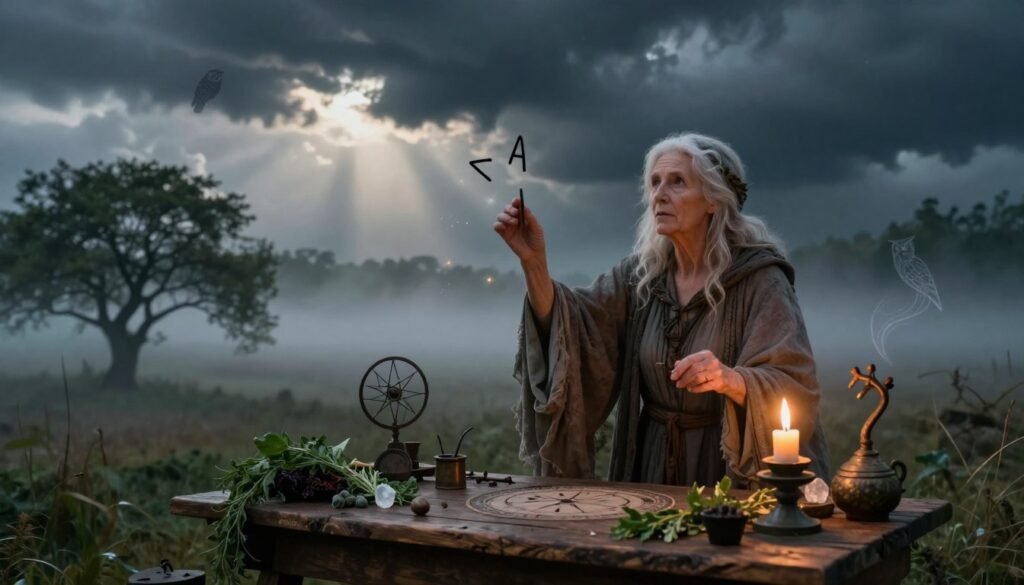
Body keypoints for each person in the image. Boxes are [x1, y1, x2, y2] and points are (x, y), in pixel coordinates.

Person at [493, 132, 829, 487]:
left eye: (677, 182)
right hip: (652, 465)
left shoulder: (761, 280)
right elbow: (572, 326)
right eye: (654, 183)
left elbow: (795, 385)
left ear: (714, 200)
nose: (659, 195)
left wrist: (731, 379)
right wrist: (534, 262)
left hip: (726, 468)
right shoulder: (641, 277)